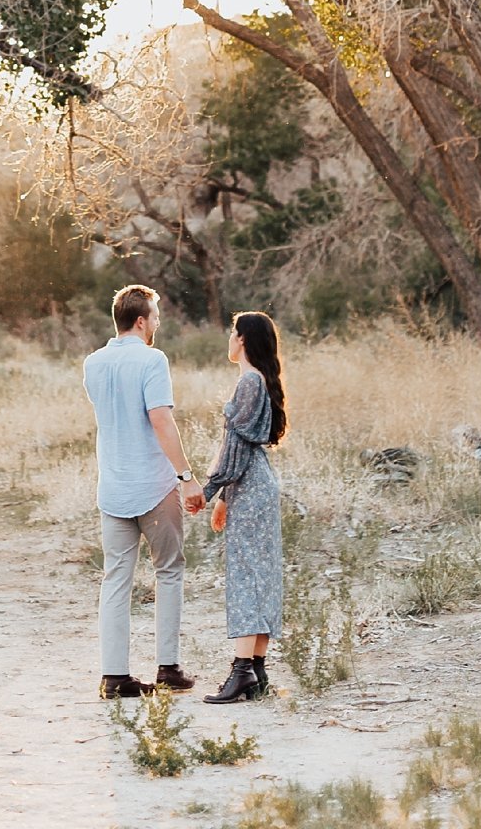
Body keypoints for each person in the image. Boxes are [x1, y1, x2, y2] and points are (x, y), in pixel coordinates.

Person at [82, 283, 206, 700]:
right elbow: (160, 420)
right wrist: (186, 476)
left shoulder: (93, 363)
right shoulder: (153, 359)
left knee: (116, 578)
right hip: (153, 486)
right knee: (169, 570)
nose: (158, 323)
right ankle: (168, 668)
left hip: (113, 485)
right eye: (155, 316)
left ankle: (114, 677)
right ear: (141, 320)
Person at [202, 309, 287, 703]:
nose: (229, 339)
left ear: (244, 340)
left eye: (233, 332)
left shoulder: (249, 383)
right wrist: (223, 496)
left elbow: (233, 449)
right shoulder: (258, 381)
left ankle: (241, 674)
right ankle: (257, 671)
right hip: (254, 485)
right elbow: (242, 448)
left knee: (247, 576)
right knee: (261, 573)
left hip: (250, 488)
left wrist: (208, 489)